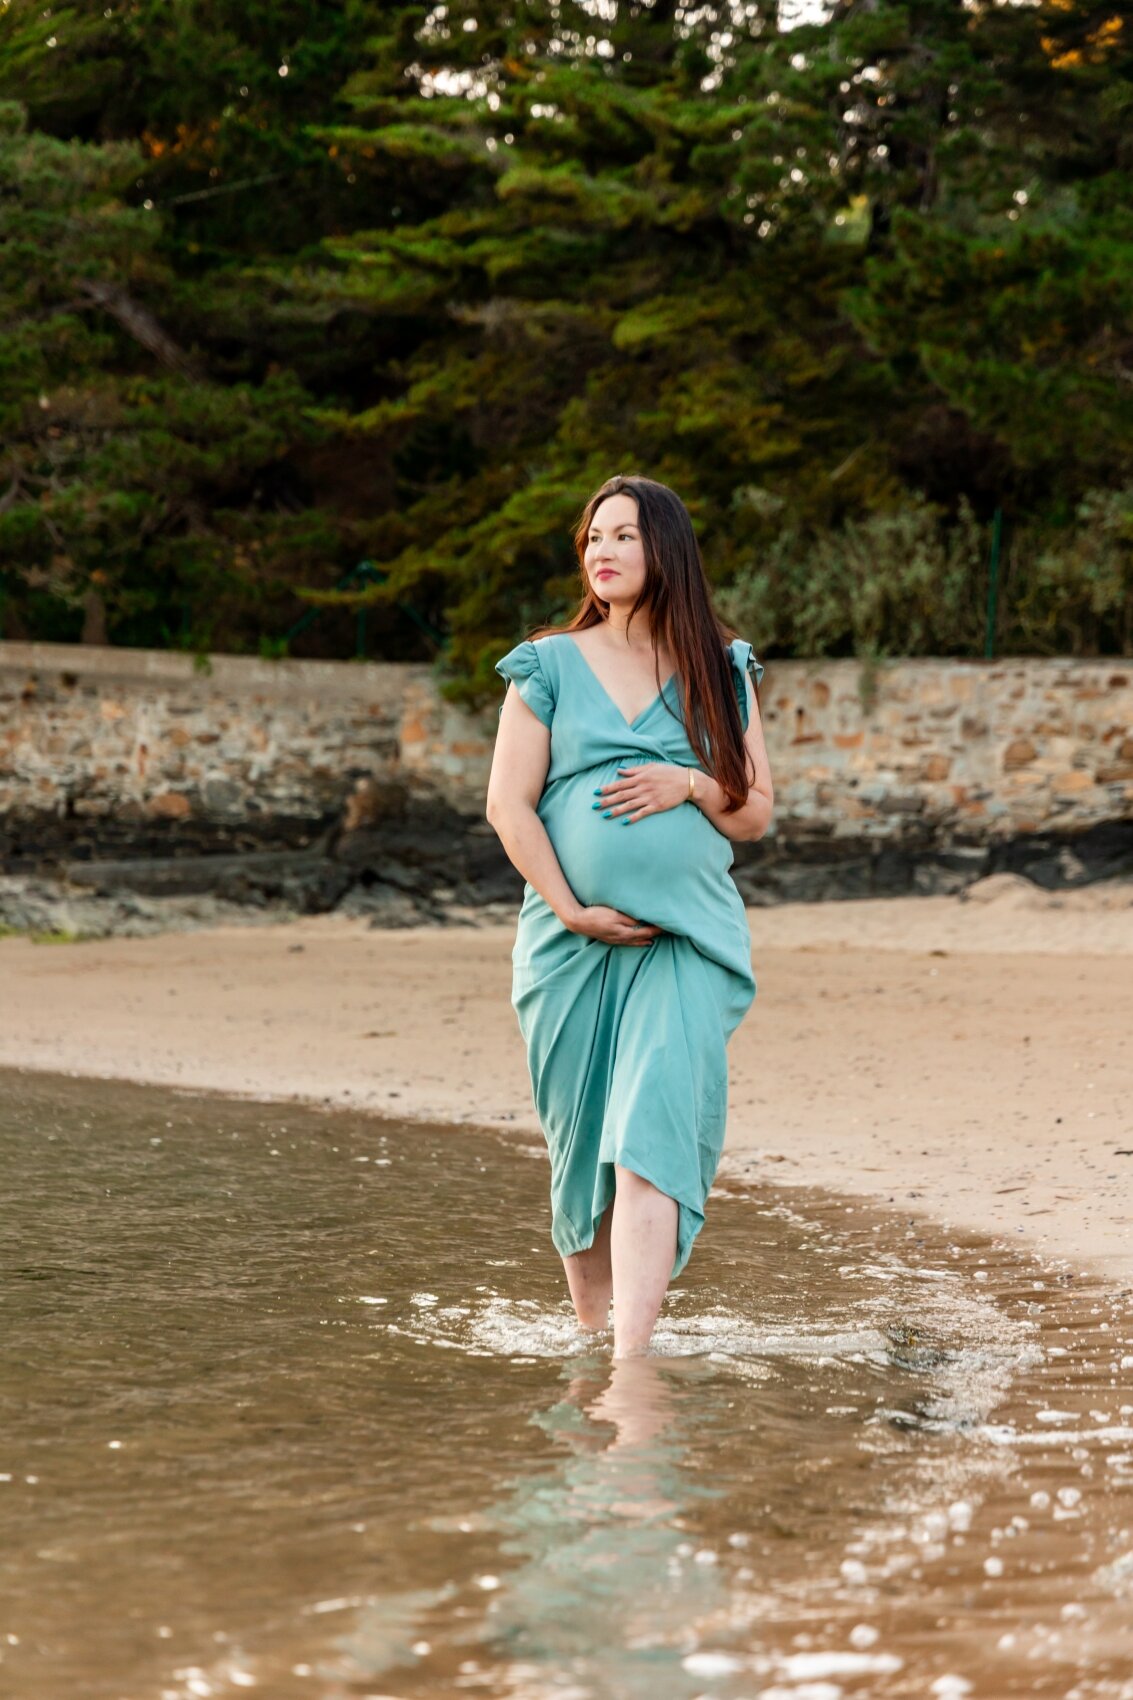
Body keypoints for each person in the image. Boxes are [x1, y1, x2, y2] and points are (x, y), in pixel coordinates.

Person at [485, 473, 773, 1357]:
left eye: (622, 537)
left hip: (680, 942)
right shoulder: (547, 663)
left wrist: (688, 781)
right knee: (581, 1151)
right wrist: (571, 909)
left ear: (665, 551)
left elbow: (754, 812)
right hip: (568, 945)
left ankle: (631, 1359)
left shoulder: (719, 669)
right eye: (592, 539)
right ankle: (589, 1334)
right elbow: (509, 805)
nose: (601, 553)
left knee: (648, 1133)